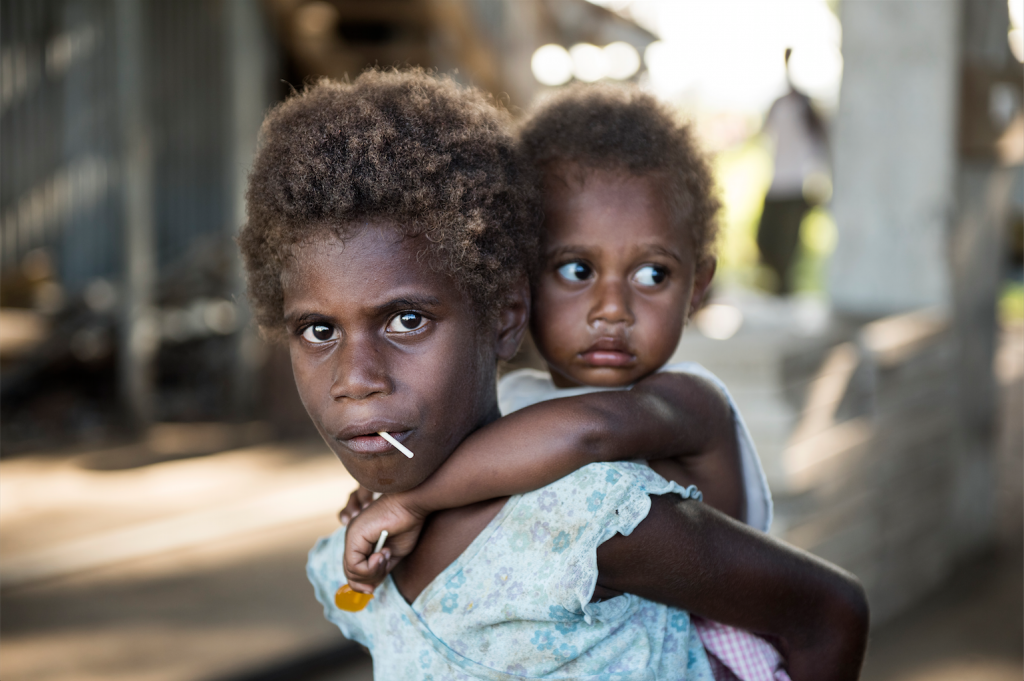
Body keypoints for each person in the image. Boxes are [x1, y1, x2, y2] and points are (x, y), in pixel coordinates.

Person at [240, 68, 868, 680]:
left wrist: (410, 499)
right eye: (319, 331)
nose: (357, 378)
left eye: (407, 320)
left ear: (507, 313)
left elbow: (590, 430)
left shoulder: (607, 502)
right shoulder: (508, 425)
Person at [756, 47, 830, 295]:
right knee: (765, 240)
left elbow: (820, 146)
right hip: (777, 184)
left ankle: (783, 291)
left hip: (796, 187)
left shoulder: (807, 109)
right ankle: (778, 288)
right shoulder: (778, 105)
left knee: (787, 248)